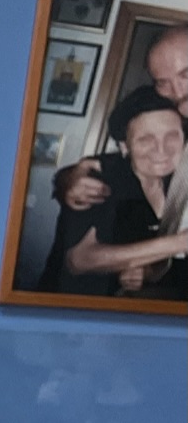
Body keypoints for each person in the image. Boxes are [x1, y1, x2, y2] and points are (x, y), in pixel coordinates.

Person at [46, 25, 188, 298]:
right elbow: (79, 259)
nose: (178, 91)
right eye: (163, 82)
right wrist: (68, 179)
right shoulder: (108, 177)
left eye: (186, 74)